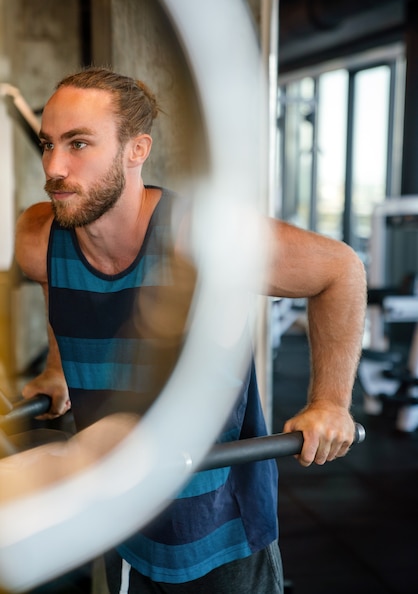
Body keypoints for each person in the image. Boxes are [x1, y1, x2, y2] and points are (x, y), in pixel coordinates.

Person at [11, 66, 366, 594]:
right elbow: (53, 281)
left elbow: (339, 270)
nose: (54, 167)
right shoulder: (41, 236)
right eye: (48, 144)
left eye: (79, 144)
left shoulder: (203, 239)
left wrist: (330, 403)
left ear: (136, 150)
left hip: (220, 519)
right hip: (117, 512)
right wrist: (59, 369)